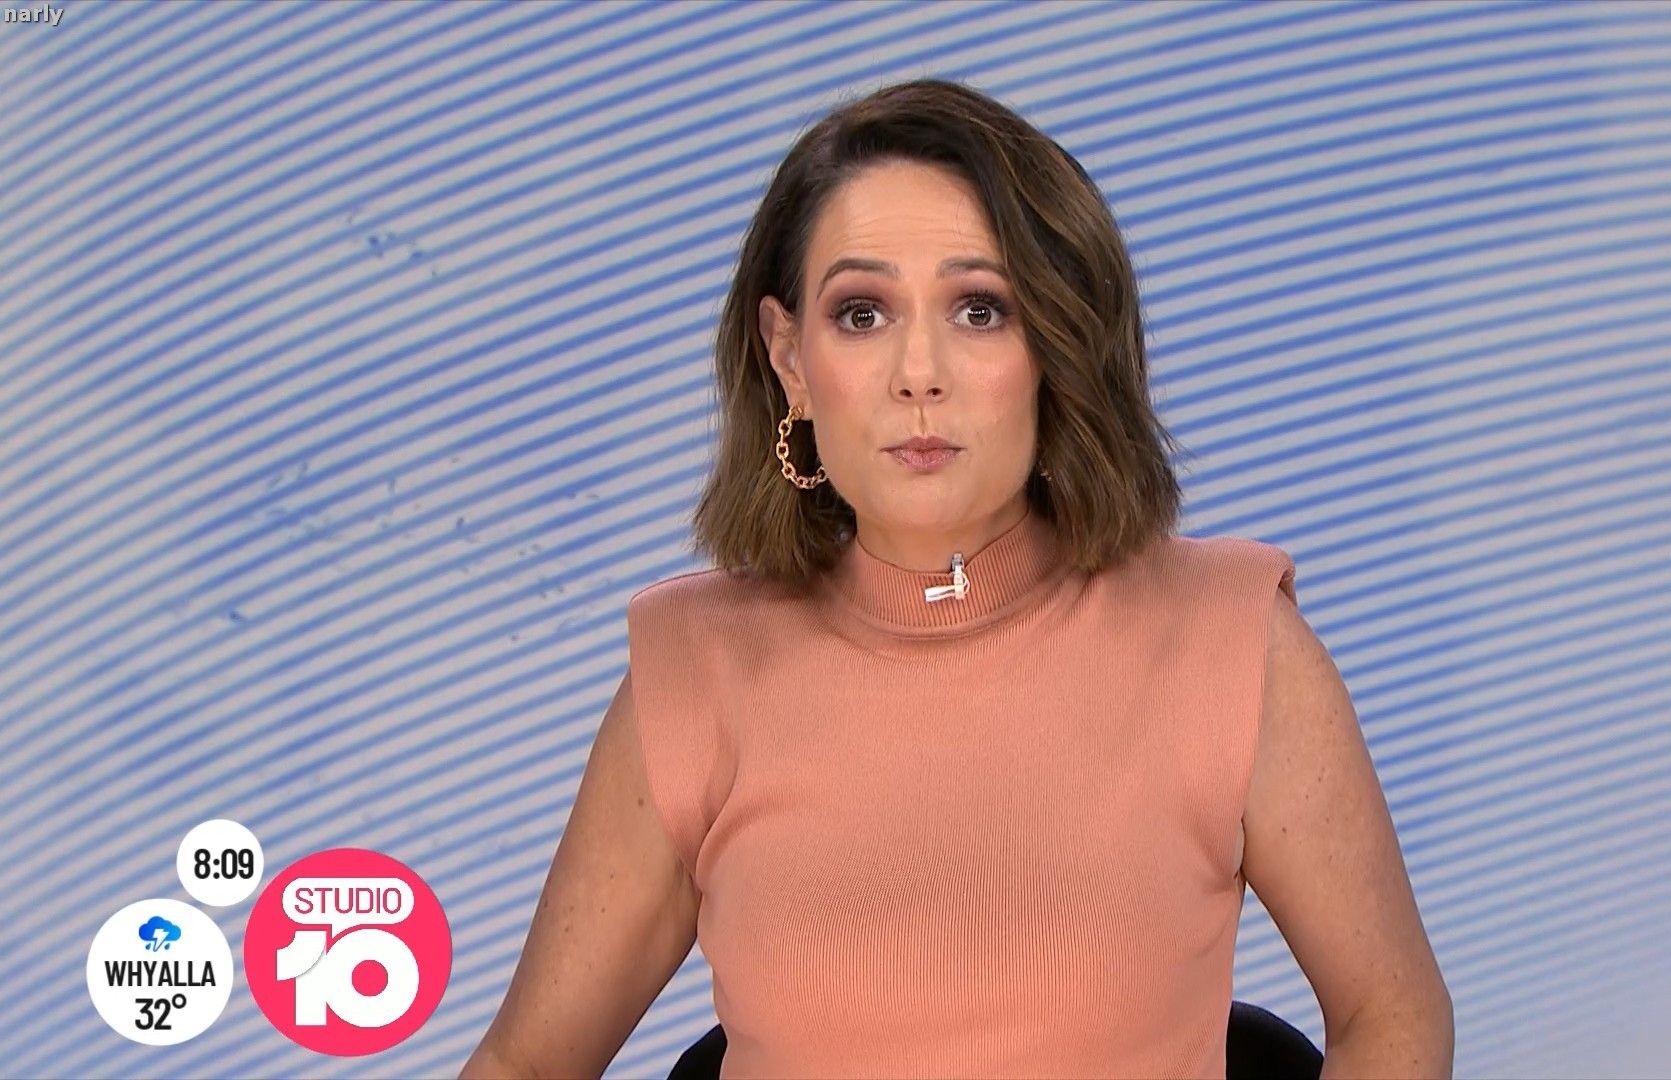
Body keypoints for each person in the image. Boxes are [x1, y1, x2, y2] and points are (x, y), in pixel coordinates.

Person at [461, 78, 1452, 1079]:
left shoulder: (1232, 645)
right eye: (862, 314)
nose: (918, 373)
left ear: (1056, 343)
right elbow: (523, 1064)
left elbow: (1393, 1016)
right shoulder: (693, 675)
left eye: (979, 309)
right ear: (790, 358)